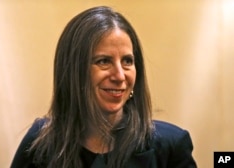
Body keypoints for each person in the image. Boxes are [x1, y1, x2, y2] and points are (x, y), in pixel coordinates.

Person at [11, 6, 197, 168]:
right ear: (74, 72)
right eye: (104, 61)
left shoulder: (171, 146)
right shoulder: (39, 143)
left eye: (127, 61)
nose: (119, 75)